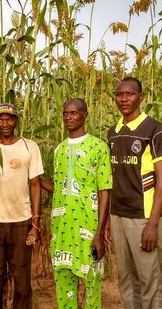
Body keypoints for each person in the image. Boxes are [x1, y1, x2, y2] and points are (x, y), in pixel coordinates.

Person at [106, 77, 162, 309]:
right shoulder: (112, 132)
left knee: (149, 281)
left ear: (141, 97)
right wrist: (106, 220)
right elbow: (110, 179)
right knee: (125, 278)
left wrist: (152, 224)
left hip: (142, 216)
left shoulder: (154, 129)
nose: (124, 99)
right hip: (118, 216)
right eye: (119, 94)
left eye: (130, 94)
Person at [0, 103, 44, 309]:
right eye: (0, 119)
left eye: (9, 119)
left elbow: (35, 185)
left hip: (21, 223)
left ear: (16, 120)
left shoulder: (29, 146)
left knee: (22, 284)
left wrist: (35, 223)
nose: (4, 123)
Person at [47, 98, 112, 308]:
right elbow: (60, 187)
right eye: (65, 113)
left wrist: (99, 233)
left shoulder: (98, 148)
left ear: (85, 115)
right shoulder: (59, 150)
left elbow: (104, 191)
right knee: (64, 287)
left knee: (92, 283)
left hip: (89, 228)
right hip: (62, 231)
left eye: (74, 113)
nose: (69, 117)